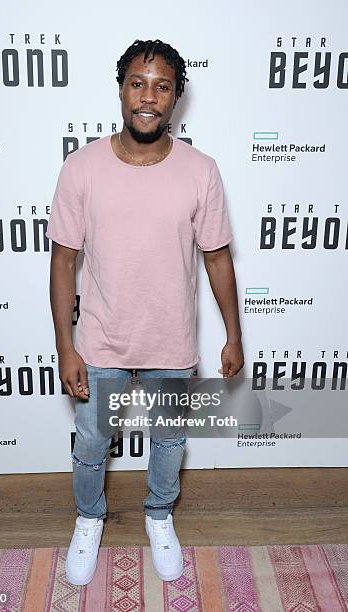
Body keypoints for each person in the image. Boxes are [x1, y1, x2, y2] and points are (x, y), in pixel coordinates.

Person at [46, 38, 244, 586]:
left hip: (171, 341)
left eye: (162, 86)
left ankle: (159, 515)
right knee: (91, 441)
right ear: (121, 90)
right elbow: (63, 263)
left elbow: (218, 257)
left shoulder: (201, 170)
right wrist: (67, 346)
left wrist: (232, 334)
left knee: (169, 440)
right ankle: (89, 518)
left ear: (176, 97)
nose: (148, 97)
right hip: (102, 341)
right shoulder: (81, 167)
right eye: (138, 83)